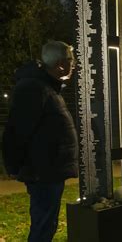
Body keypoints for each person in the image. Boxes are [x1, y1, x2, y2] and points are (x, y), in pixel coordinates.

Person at [2, 41, 78, 241]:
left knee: (47, 224)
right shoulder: (34, 89)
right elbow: (17, 131)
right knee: (43, 226)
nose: (74, 65)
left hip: (48, 171)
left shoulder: (47, 88)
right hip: (42, 172)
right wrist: (14, 166)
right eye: (71, 60)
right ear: (60, 64)